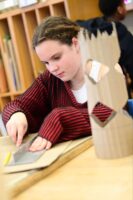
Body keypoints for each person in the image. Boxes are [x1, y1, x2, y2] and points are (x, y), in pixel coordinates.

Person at [2, 16, 113, 152]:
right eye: (46, 63)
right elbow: (16, 105)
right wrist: (16, 115)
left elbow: (109, 114)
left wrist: (60, 117)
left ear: (76, 44)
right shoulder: (49, 79)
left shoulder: (105, 71)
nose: (52, 68)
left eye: (56, 57)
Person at [76, 0, 133, 98]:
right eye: (123, 4)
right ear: (119, 9)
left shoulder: (87, 26)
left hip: (89, 90)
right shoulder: (124, 36)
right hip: (116, 89)